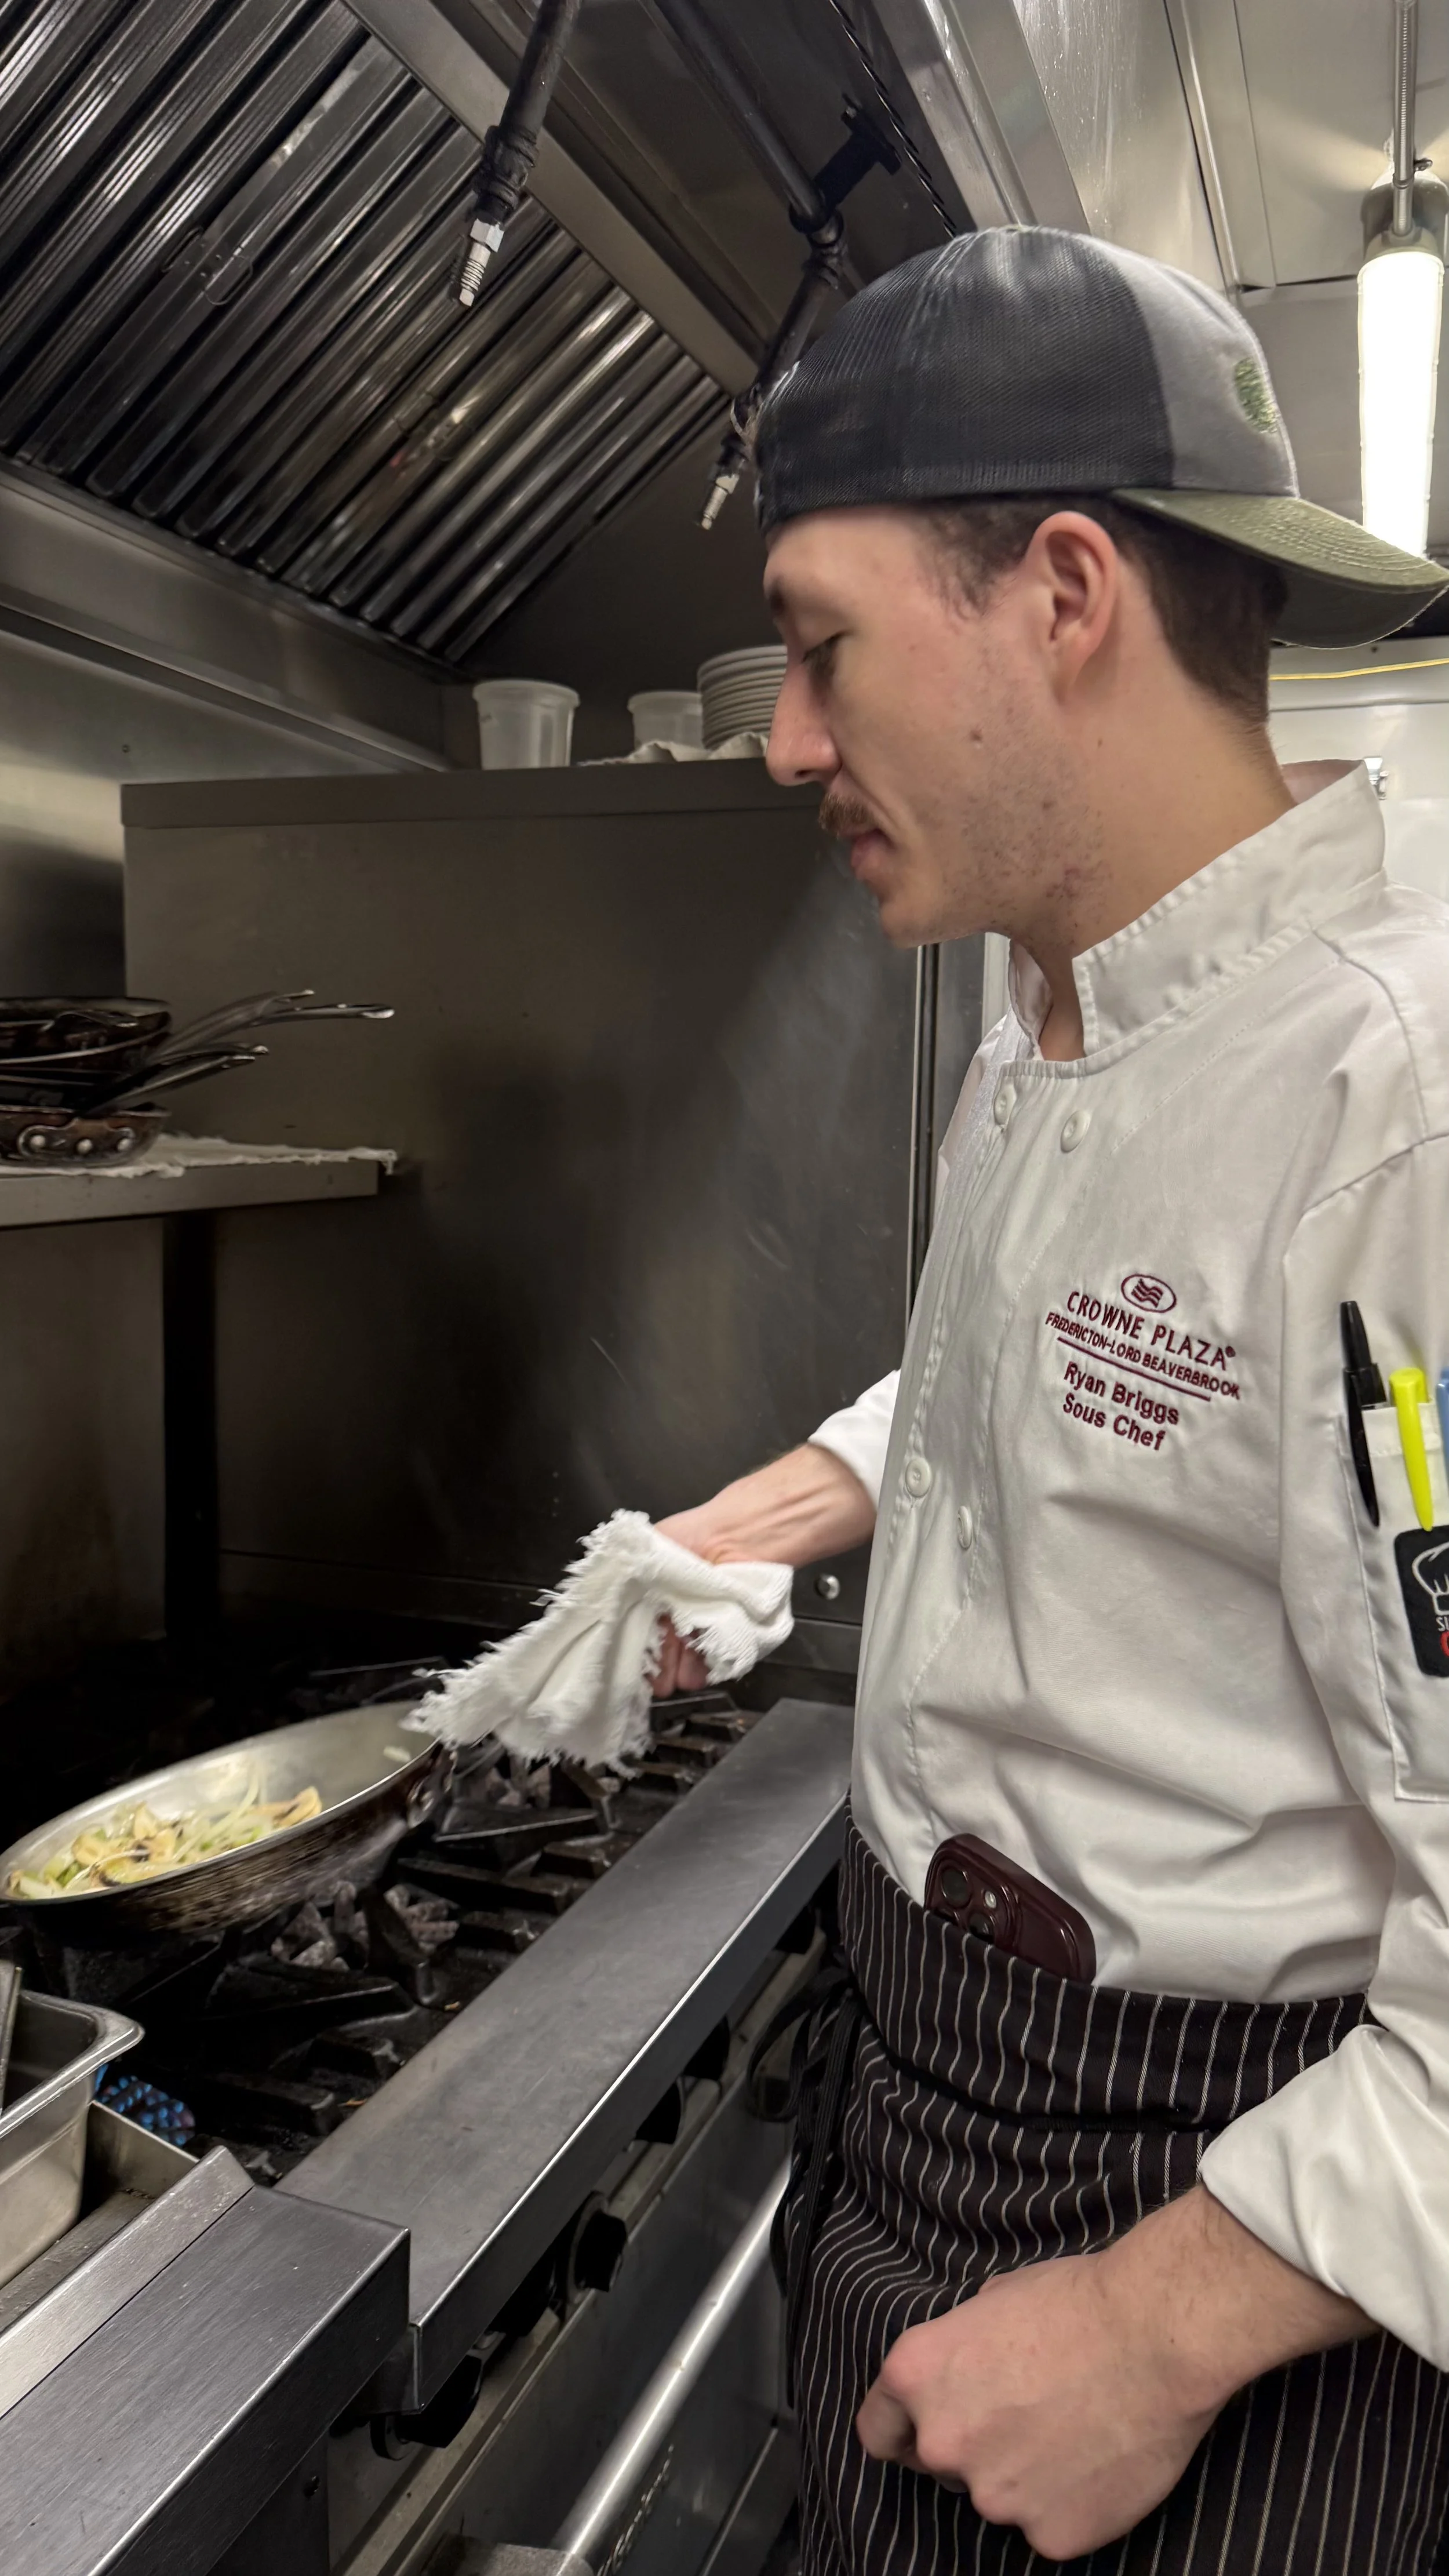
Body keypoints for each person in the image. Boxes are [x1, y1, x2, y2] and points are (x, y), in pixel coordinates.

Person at [651, 228, 1449, 2574]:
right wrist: (789, 1500)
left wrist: (1155, 2330)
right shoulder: (1054, 1007)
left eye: (822, 647)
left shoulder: (1398, 1117)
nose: (787, 741)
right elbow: (1091, 1365)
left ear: (1066, 594)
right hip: (922, 2109)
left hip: (1207, 2228)